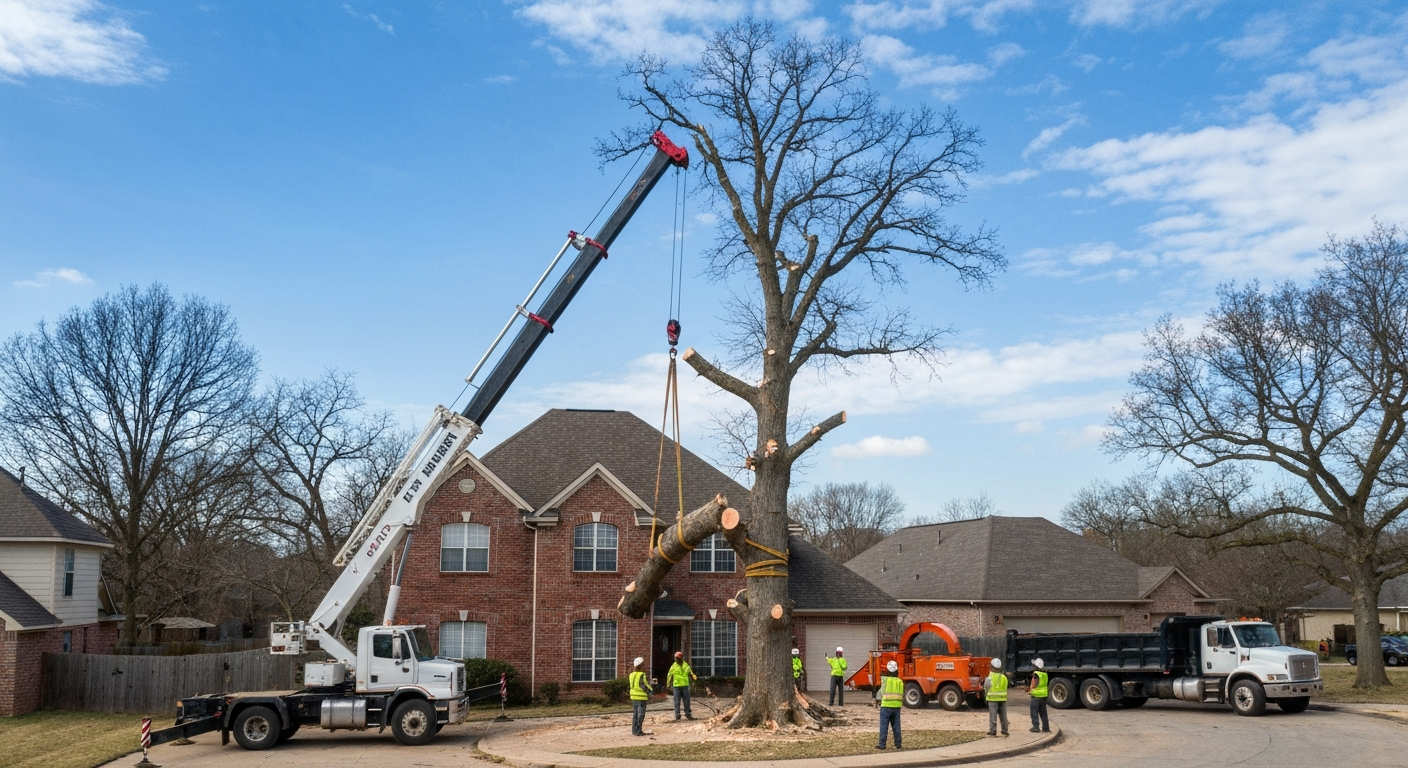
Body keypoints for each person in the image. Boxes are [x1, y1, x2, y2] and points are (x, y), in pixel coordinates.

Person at [876, 659, 904, 750]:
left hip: (886, 706)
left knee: (884, 726)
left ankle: (882, 744)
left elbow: (880, 693)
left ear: (888, 670)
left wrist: (877, 700)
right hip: (896, 707)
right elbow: (901, 694)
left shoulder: (885, 680)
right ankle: (898, 744)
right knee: (896, 726)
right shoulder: (900, 681)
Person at [668, 650, 697, 721]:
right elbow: (669, 676)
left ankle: (688, 714)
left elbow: (690, 672)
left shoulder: (686, 665)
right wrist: (668, 685)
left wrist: (693, 676)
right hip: (676, 686)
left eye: (678, 658)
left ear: (681, 658)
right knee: (677, 701)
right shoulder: (673, 666)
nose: (676, 659)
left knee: (687, 701)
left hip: (685, 686)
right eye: (676, 658)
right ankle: (677, 715)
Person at [629, 656, 654, 736]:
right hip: (641, 697)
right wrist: (651, 689)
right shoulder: (642, 675)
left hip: (633, 696)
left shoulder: (631, 674)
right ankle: (639, 731)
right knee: (641, 714)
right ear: (641, 666)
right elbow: (644, 685)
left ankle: (634, 730)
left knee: (635, 713)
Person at [984, 657, 1009, 737]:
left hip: (992, 699)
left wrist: (985, 696)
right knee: (1003, 715)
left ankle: (993, 730)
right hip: (1003, 699)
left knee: (993, 715)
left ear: (992, 666)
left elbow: (986, 688)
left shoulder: (989, 678)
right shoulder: (1004, 678)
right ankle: (1004, 730)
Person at [1026, 657, 1050, 733]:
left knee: (1034, 712)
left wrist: (1030, 690)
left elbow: (1034, 684)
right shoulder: (1045, 674)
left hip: (1036, 696)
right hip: (1044, 695)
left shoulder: (1036, 675)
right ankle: (1046, 728)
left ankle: (1035, 727)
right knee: (1043, 713)